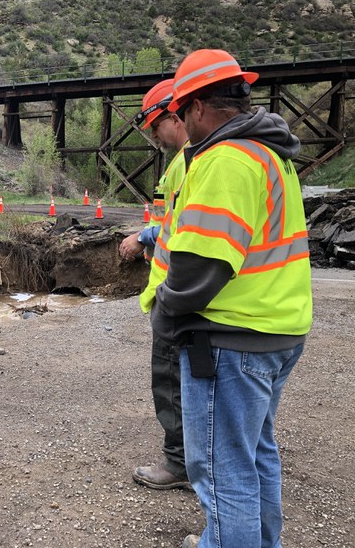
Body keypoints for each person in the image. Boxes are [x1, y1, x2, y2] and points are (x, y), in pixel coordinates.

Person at [148, 49, 312, 548]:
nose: (179, 123)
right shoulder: (267, 152)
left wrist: (165, 311)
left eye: (179, 111)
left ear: (197, 107)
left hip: (232, 340)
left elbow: (199, 269)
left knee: (221, 473)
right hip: (276, 327)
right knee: (254, 456)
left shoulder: (225, 160)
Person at [120, 79, 192, 491]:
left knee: (170, 382)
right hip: (178, 289)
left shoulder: (188, 160)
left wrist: (142, 237)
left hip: (176, 293)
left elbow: (178, 226)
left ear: (176, 115)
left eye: (154, 126)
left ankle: (179, 464)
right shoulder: (196, 157)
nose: (153, 136)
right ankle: (193, 461)